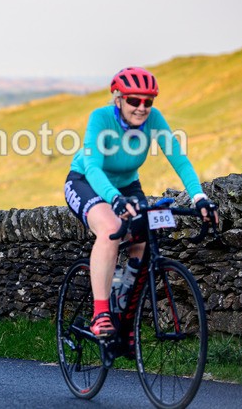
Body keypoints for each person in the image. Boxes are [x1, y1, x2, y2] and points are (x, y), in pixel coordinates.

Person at [64, 67, 217, 345]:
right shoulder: (100, 119)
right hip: (86, 181)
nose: (142, 108)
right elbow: (94, 168)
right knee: (111, 228)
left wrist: (199, 198)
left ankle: (122, 300)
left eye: (148, 101)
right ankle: (100, 314)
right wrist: (114, 199)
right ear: (118, 99)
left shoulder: (154, 120)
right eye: (134, 100)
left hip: (127, 186)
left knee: (146, 234)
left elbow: (179, 160)